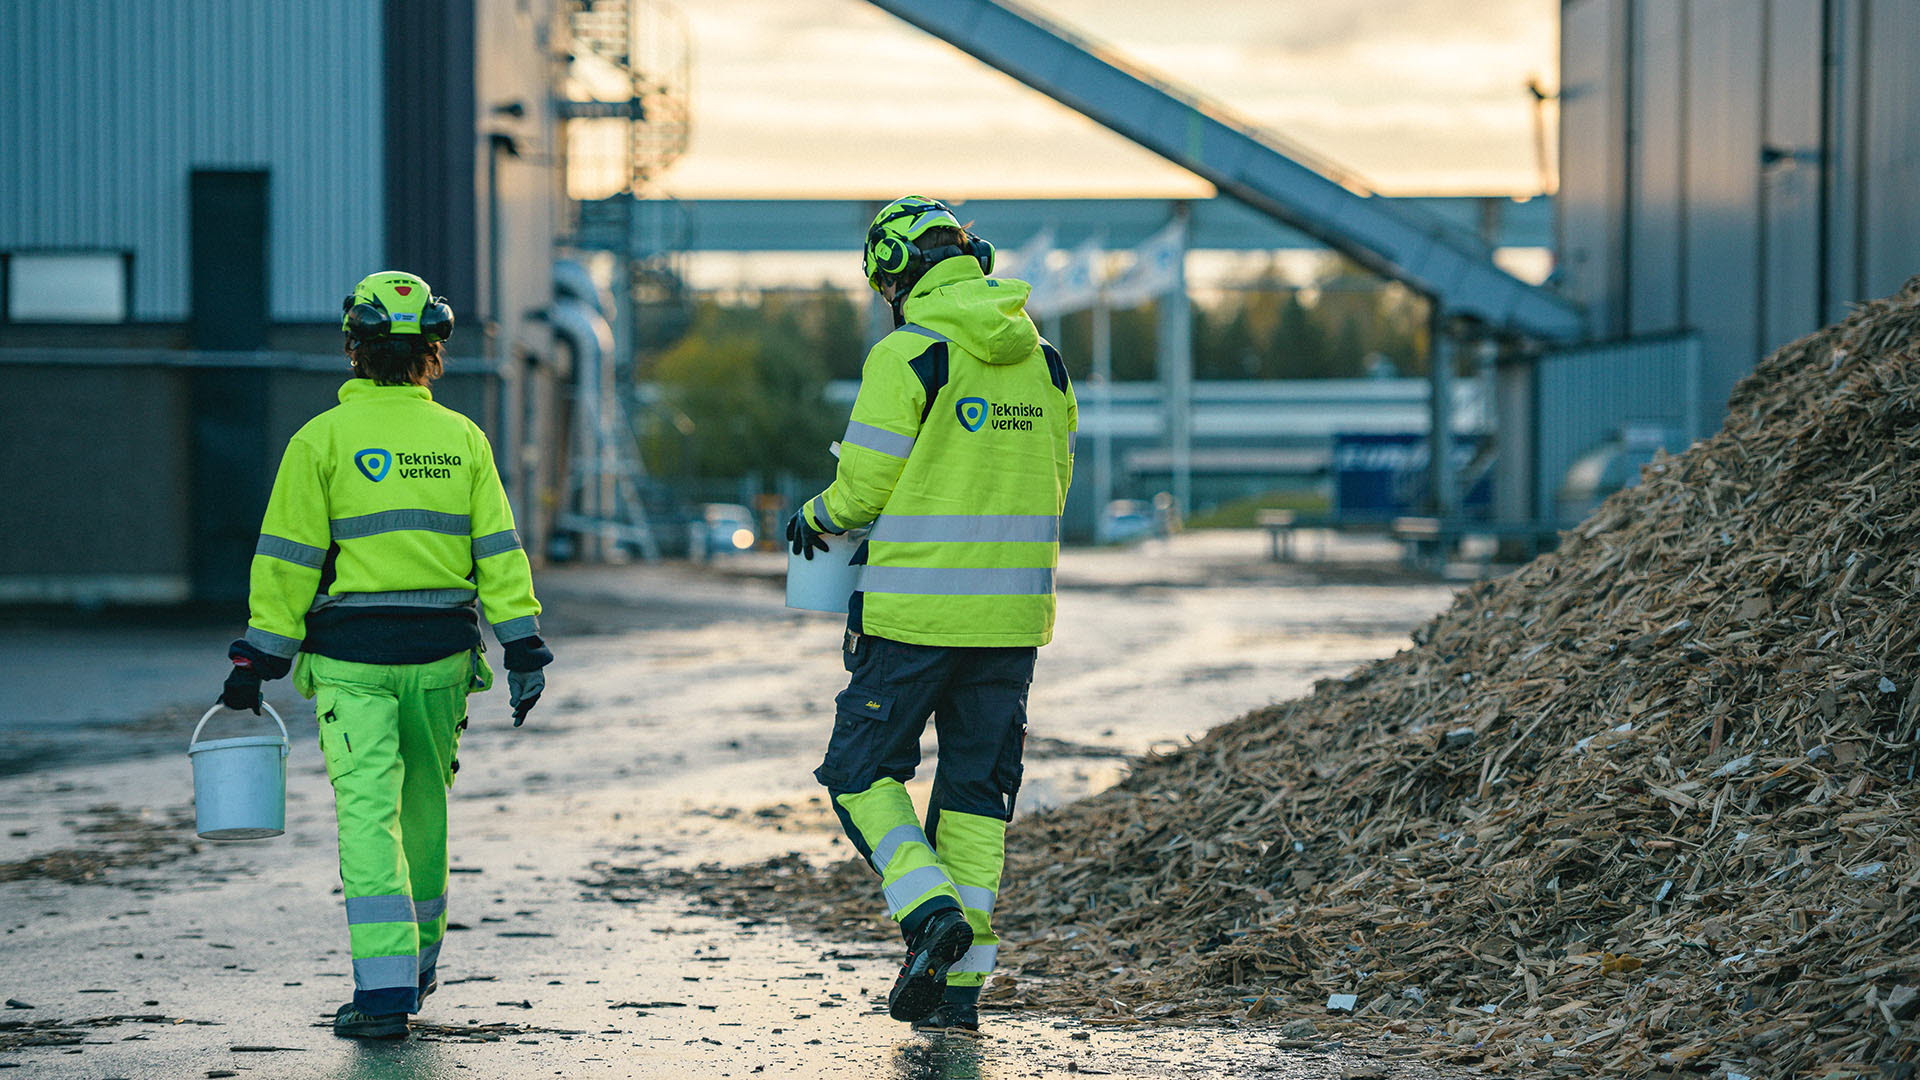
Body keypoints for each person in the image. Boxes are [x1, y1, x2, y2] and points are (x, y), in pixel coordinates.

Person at [216, 271, 553, 1040]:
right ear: (433, 353)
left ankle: (385, 990)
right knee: (424, 806)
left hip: (351, 663)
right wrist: (523, 645)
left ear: (351, 349)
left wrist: (256, 660)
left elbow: (288, 561)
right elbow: (498, 552)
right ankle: (420, 961)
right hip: (440, 659)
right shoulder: (462, 438)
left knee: (368, 813)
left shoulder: (320, 441)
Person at [787, 197, 1077, 1034]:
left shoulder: (907, 352)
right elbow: (1054, 483)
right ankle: (958, 994)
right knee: (977, 797)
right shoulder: (1046, 363)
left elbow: (864, 491)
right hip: (1013, 622)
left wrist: (815, 517)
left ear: (894, 274)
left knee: (857, 774)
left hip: (914, 616)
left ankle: (928, 916)